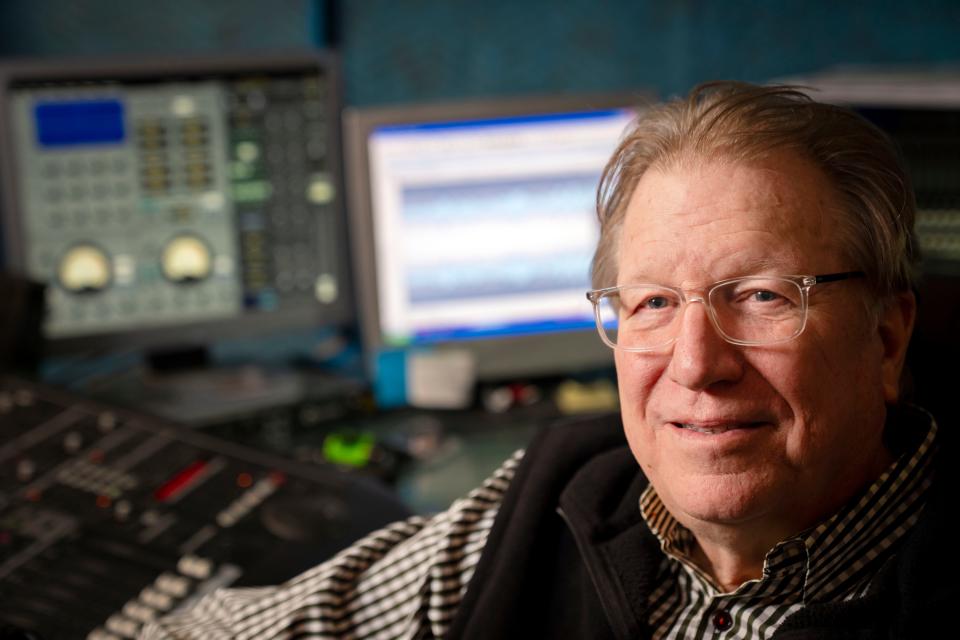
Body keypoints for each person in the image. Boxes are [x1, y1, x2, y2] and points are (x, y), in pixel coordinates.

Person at [141, 82, 950, 640]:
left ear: (885, 339)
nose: (697, 365)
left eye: (764, 297)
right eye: (653, 304)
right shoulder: (565, 495)